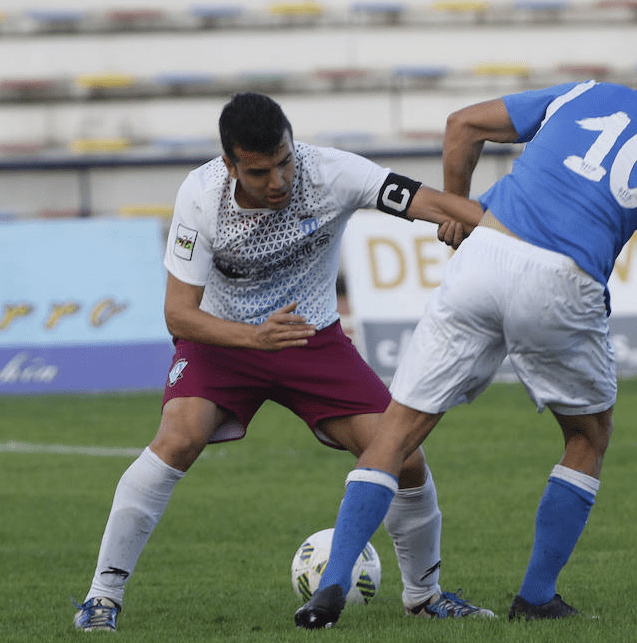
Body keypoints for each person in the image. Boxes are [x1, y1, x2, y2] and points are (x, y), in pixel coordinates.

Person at [295, 33, 637, 629]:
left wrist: (454, 208)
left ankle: (333, 584)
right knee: (588, 435)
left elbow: (461, 125)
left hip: (485, 253)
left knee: (395, 433)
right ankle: (536, 596)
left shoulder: (585, 94)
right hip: (560, 279)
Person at [73, 92, 493, 632]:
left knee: (404, 455)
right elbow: (179, 316)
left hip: (311, 340)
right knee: (176, 439)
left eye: (285, 161)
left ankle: (425, 595)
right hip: (222, 342)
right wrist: (253, 339)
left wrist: (508, 231)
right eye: (259, 171)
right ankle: (102, 597)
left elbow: (431, 202)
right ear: (230, 164)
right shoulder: (201, 196)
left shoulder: (333, 173)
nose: (278, 181)